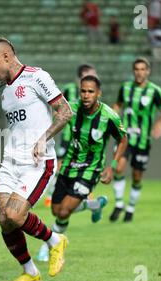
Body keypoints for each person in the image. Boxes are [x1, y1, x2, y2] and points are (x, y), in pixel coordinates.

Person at [0, 37, 72, 281]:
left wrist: (44, 138)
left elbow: (65, 111)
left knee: (14, 213)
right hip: (11, 161)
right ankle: (30, 272)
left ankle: (56, 241)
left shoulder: (36, 77)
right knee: (4, 218)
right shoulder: (4, 90)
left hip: (38, 161)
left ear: (6, 57)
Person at [37, 75, 128, 262]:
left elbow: (123, 139)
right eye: (83, 91)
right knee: (56, 210)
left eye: (91, 92)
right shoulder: (71, 109)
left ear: (98, 93)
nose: (86, 95)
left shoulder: (108, 116)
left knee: (64, 212)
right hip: (69, 165)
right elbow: (56, 118)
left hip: (91, 169)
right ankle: (95, 205)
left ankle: (50, 247)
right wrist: (43, 138)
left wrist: (112, 166)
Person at [110, 57, 161, 222]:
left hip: (143, 140)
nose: (139, 72)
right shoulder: (125, 88)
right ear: (133, 71)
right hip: (125, 138)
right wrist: (112, 117)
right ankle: (118, 204)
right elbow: (118, 105)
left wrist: (159, 124)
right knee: (118, 168)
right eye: (136, 69)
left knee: (137, 176)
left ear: (148, 71)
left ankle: (130, 208)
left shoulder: (155, 91)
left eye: (142, 69)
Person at [44, 64, 97, 207]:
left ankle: (82, 193)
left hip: (85, 138)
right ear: (82, 75)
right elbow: (57, 109)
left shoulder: (92, 92)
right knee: (60, 166)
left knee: (82, 164)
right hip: (69, 136)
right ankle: (50, 194)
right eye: (90, 74)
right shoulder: (69, 89)